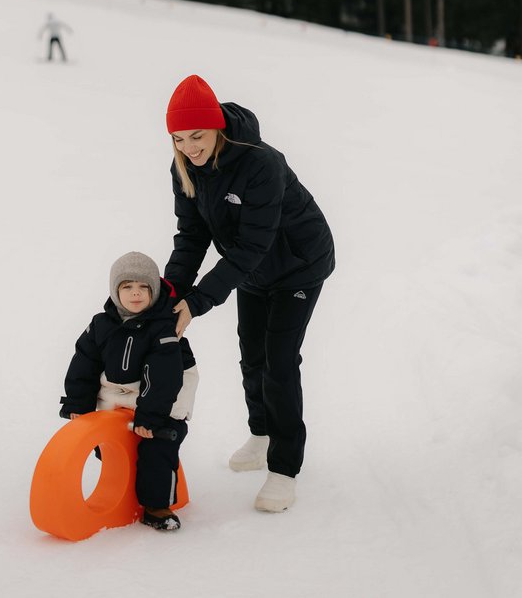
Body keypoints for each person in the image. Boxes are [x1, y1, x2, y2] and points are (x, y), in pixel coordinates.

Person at [163, 75, 335, 513]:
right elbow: (191, 236)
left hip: (298, 265)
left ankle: (284, 467)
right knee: (250, 354)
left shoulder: (262, 164)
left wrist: (198, 303)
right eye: (179, 139)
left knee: (278, 360)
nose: (189, 147)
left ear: (217, 127)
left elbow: (252, 246)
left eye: (197, 136)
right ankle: (260, 434)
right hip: (252, 272)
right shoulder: (184, 167)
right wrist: (171, 295)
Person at [59, 251, 198, 531]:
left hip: (167, 396)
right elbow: (83, 363)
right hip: (119, 392)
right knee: (110, 446)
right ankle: (122, 484)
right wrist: (78, 403)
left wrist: (152, 417)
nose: (136, 294)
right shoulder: (101, 324)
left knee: (157, 447)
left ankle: (157, 505)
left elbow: (163, 378)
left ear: (154, 291)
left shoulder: (164, 328)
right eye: (127, 287)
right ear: (115, 291)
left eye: (143, 287)